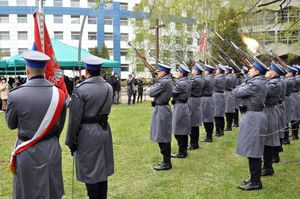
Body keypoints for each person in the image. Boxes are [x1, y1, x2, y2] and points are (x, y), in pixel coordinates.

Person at [5, 50, 66, 199]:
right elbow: (60, 124)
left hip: (27, 151)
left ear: (27, 69)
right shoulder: (59, 94)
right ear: (45, 69)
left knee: (27, 192)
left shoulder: (15, 95)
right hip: (51, 147)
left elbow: (11, 124)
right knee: (51, 190)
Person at [66, 55, 114, 199]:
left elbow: (74, 119)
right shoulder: (108, 87)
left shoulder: (80, 89)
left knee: (90, 169)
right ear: (100, 70)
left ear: (87, 71)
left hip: (87, 132)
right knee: (101, 169)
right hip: (104, 129)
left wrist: (70, 140)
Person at [233, 59, 268, 191]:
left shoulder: (255, 84)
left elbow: (236, 92)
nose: (249, 70)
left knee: (253, 150)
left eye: (252, 69)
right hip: (252, 116)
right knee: (252, 149)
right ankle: (254, 178)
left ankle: (255, 182)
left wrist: (243, 82)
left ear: (257, 72)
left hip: (253, 117)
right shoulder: (255, 82)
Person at [261, 62, 285, 177]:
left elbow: (261, 91)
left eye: (269, 70)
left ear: (274, 73)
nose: (266, 71)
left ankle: (268, 168)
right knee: (266, 141)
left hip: (269, 111)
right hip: (267, 110)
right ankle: (267, 166)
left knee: (268, 141)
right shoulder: (272, 82)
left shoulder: (274, 84)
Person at [149, 63, 173, 170]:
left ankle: (167, 162)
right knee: (161, 135)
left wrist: (156, 81)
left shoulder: (164, 81)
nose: (157, 73)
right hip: (161, 108)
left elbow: (151, 92)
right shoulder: (164, 80)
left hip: (162, 109)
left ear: (163, 72)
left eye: (159, 72)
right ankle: (165, 160)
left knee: (163, 136)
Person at [171, 65, 191, 158]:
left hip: (180, 107)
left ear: (182, 73)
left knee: (178, 131)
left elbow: (172, 92)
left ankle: (181, 152)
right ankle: (183, 151)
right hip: (183, 106)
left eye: (179, 72)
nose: (178, 73)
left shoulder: (181, 83)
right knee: (182, 130)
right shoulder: (186, 81)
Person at [188, 63, 204, 150]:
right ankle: (194, 143)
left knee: (193, 123)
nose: (192, 70)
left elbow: (187, 86)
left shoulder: (195, 80)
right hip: (195, 100)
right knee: (194, 124)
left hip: (193, 101)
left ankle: (194, 143)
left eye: (193, 69)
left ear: (196, 71)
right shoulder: (198, 78)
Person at [283, 66, 297, 144]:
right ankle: (286, 138)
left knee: (285, 120)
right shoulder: (290, 79)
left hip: (286, 100)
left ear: (291, 73)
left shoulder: (289, 80)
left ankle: (286, 138)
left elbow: (282, 82)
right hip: (287, 99)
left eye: (288, 72)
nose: (286, 73)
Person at [201, 65, 215, 142]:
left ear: (207, 71)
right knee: (209, 117)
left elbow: (201, 87)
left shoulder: (206, 79)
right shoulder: (212, 78)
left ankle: (208, 137)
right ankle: (209, 136)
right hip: (209, 98)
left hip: (205, 98)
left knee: (206, 118)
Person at [213, 64, 226, 137]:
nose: (216, 71)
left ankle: (218, 131)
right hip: (222, 95)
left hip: (217, 95)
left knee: (217, 114)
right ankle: (222, 130)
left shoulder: (217, 78)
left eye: (217, 69)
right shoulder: (224, 77)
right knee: (221, 114)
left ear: (219, 71)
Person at [224, 66, 236, 131]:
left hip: (227, 93)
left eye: (225, 70)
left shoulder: (227, 77)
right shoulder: (233, 76)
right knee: (230, 110)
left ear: (228, 71)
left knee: (227, 110)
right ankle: (229, 125)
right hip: (231, 92)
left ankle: (228, 126)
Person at [290, 65, 300, 140]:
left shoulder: (296, 79)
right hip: (295, 95)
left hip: (294, 96)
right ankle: (294, 133)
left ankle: (295, 134)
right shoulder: (296, 78)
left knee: (295, 116)